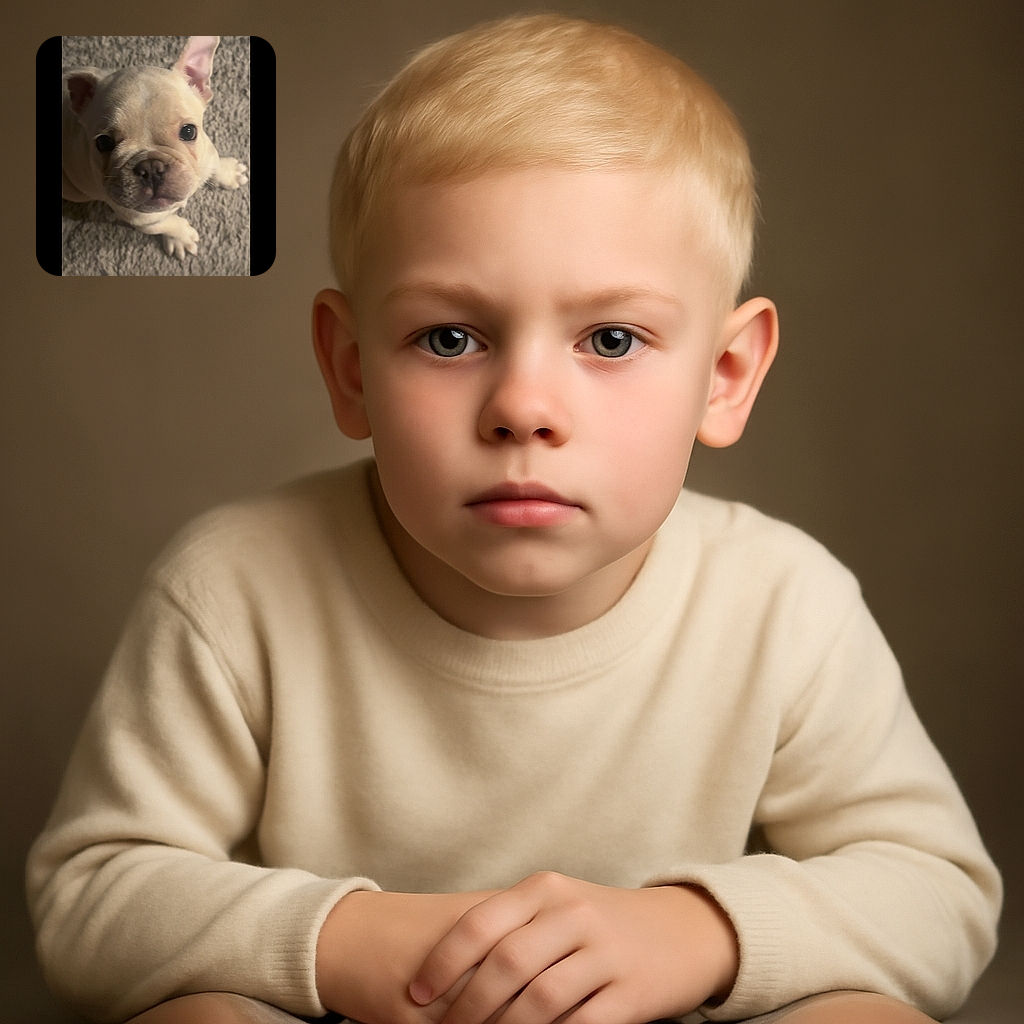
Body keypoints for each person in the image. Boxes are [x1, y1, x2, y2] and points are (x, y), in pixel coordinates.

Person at [27, 14, 1001, 1024]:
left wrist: (703, 931)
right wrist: (345, 941)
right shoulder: (233, 586)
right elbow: (92, 895)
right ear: (351, 369)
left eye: (611, 339)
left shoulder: (784, 602)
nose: (523, 408)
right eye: (450, 338)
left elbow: (938, 891)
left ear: (723, 376)